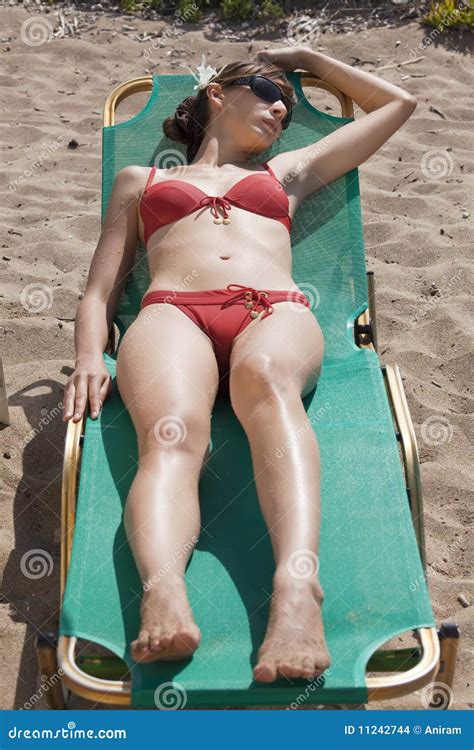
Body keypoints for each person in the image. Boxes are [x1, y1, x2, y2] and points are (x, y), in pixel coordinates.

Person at [62, 46, 417, 683]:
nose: (282, 107)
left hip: (274, 311)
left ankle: (296, 590)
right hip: (172, 313)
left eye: (287, 102)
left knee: (266, 383)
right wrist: (90, 354)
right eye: (266, 89)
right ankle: (163, 589)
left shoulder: (289, 172)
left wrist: (306, 58)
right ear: (217, 94)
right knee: (169, 434)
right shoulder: (141, 182)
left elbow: (398, 105)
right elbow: (99, 292)